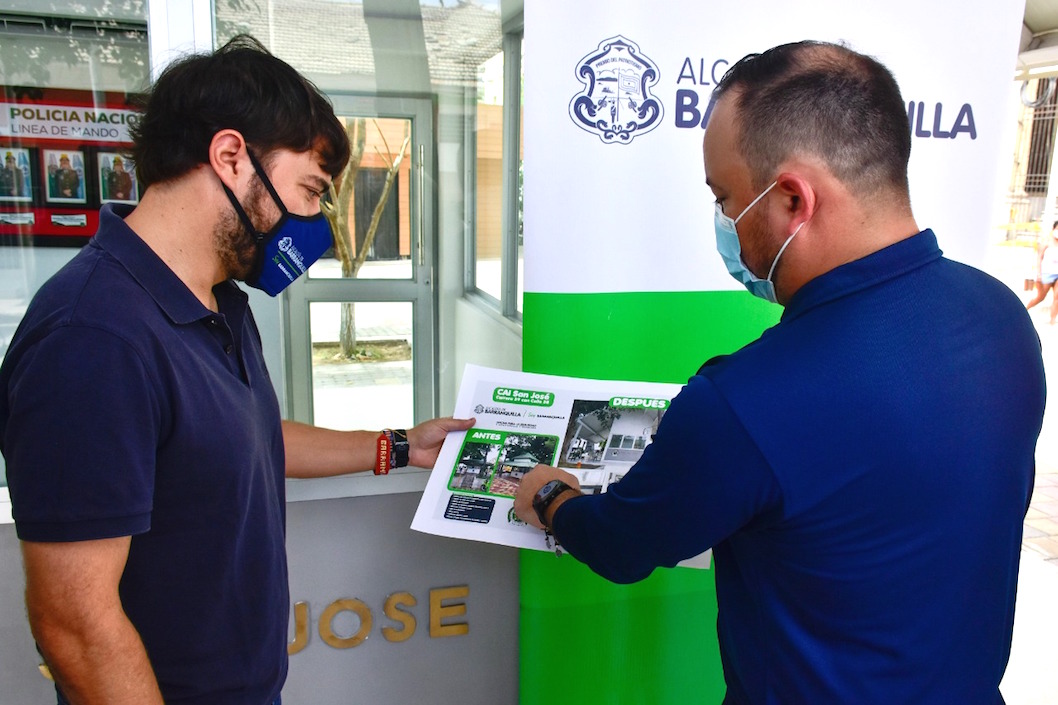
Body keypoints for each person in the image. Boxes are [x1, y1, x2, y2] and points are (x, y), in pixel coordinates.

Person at [514, 40, 1046, 704]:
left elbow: (623, 545)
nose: (725, 222)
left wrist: (549, 498)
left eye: (725, 197)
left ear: (793, 198)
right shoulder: (1002, 316)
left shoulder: (743, 401)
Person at [0, 36, 472, 705]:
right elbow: (74, 622)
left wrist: (398, 445)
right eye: (310, 191)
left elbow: (245, 436)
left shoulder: (219, 297)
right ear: (230, 157)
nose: (313, 222)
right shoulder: (93, 338)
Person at [1025, 220, 1058, 324]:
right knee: (1040, 297)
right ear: (1054, 229)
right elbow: (1039, 258)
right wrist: (1038, 274)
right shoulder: (1046, 243)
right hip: (1046, 274)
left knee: (1057, 297)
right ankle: (1025, 310)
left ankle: (1052, 319)